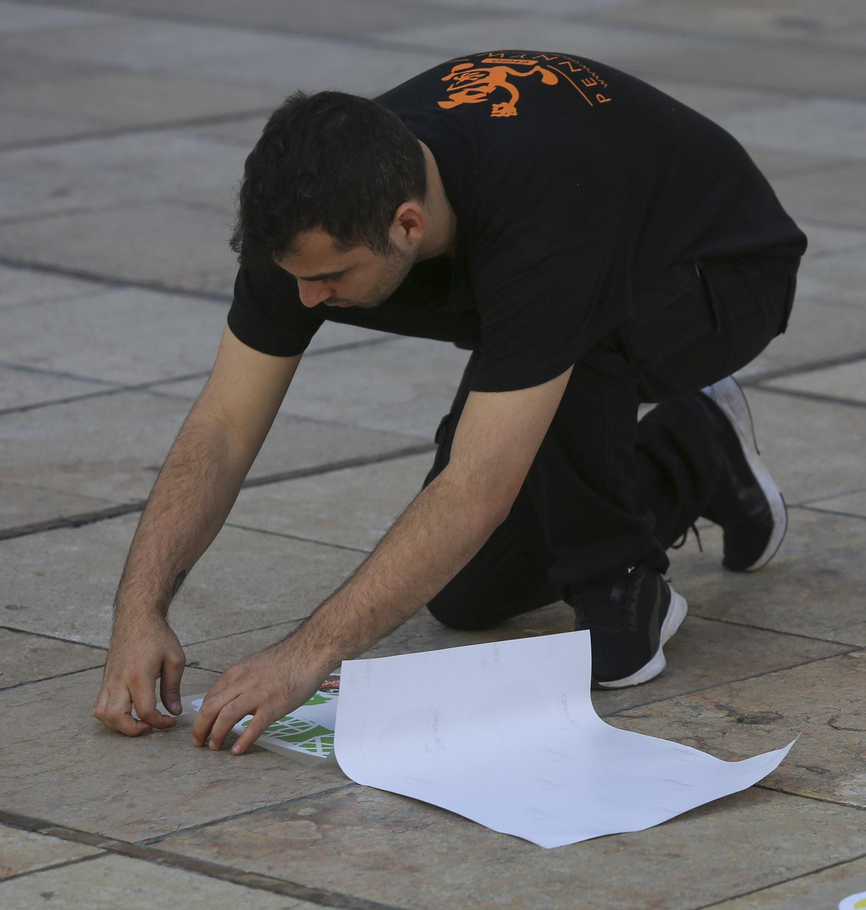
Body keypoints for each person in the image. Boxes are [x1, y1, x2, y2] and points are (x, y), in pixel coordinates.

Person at [91, 51, 805, 754]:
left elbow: (477, 484)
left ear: (407, 225)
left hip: (720, 274)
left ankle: (620, 577)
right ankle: (696, 448)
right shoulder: (315, 223)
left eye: (332, 278)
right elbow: (222, 426)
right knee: (465, 594)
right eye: (296, 279)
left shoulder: (539, 214)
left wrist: (303, 658)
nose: (308, 300)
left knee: (565, 349)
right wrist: (138, 614)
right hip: (567, 271)